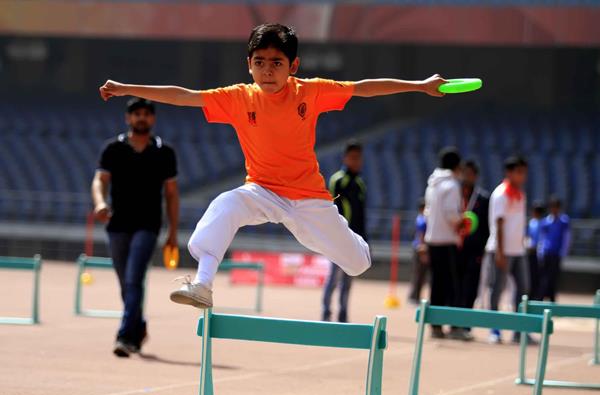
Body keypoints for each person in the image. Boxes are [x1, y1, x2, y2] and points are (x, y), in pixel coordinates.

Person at [98, 23, 447, 309]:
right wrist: (125, 87)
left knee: (358, 264)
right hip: (262, 190)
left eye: (277, 62)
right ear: (248, 64)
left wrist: (420, 86)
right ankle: (203, 284)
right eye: (260, 62)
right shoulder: (237, 97)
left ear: (292, 66)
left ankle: (351, 241)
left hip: (310, 199)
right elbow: (184, 95)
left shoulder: (309, 92)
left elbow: (363, 89)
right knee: (225, 204)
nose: (267, 70)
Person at [91, 98, 179, 357]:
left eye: (146, 114)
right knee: (125, 283)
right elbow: (99, 180)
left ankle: (125, 337)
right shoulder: (112, 149)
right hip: (117, 223)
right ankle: (138, 326)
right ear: (128, 118)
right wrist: (99, 203)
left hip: (148, 225)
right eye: (137, 114)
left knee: (133, 278)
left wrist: (173, 232)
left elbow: (172, 194)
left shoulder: (164, 152)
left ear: (153, 119)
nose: (142, 118)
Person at [424, 147, 469, 340]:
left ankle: (435, 325)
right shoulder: (451, 185)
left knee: (437, 285)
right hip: (446, 241)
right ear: (457, 166)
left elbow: (427, 212)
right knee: (451, 286)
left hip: (433, 239)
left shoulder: (432, 184)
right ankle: (454, 326)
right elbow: (452, 214)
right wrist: (463, 222)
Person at [485, 156, 529, 344]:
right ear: (509, 172)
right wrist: (501, 252)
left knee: (523, 288)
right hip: (501, 250)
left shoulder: (520, 195)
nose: (522, 176)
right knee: (497, 289)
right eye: (519, 172)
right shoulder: (501, 194)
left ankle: (520, 330)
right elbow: (499, 224)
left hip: (518, 250)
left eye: (524, 172)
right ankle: (494, 330)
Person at [321, 140, 366, 323]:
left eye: (359, 158)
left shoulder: (360, 183)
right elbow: (332, 210)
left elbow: (361, 214)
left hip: (355, 239)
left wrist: (363, 238)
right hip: (338, 239)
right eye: (353, 157)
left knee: (348, 279)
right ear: (345, 158)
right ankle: (326, 312)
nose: (356, 161)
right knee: (333, 277)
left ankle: (343, 314)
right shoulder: (337, 180)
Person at [457, 160, 489, 312]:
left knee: (471, 285)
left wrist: (482, 249)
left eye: (469, 174)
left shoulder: (482, 199)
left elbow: (487, 227)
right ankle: (453, 320)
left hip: (474, 250)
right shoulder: (454, 195)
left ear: (475, 176)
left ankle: (466, 324)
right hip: (455, 248)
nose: (466, 177)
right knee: (455, 285)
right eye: (464, 173)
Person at [537, 197, 570, 302]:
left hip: (556, 253)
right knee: (544, 277)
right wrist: (540, 251)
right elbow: (542, 238)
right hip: (546, 253)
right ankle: (543, 298)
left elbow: (566, 238)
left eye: (556, 207)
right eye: (552, 207)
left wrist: (563, 252)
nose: (554, 209)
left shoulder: (564, 221)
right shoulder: (545, 222)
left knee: (553, 277)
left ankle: (551, 299)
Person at [408, 198, 428, 305]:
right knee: (419, 274)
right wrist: (423, 252)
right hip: (420, 249)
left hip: (417, 247)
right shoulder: (422, 219)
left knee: (418, 274)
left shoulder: (420, 218)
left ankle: (414, 296)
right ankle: (414, 297)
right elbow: (421, 236)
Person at [526, 201, 546, 301]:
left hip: (539, 253)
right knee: (531, 275)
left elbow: (541, 240)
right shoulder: (532, 223)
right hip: (531, 253)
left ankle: (538, 297)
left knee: (538, 276)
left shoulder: (543, 224)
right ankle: (531, 295)